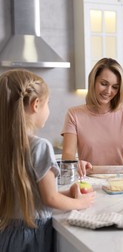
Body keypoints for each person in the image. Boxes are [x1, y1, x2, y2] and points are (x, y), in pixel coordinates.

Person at [0, 69, 95, 251]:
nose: (48, 109)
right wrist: (80, 203)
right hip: (32, 235)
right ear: (36, 105)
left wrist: (68, 192)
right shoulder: (40, 146)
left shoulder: (5, 145)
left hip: (7, 234)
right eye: (47, 103)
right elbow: (50, 198)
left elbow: (31, 196)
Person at [61, 58, 123, 177]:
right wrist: (77, 164)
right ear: (93, 81)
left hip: (121, 181)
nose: (108, 91)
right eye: (104, 84)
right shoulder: (74, 114)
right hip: (89, 181)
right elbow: (67, 155)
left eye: (115, 87)